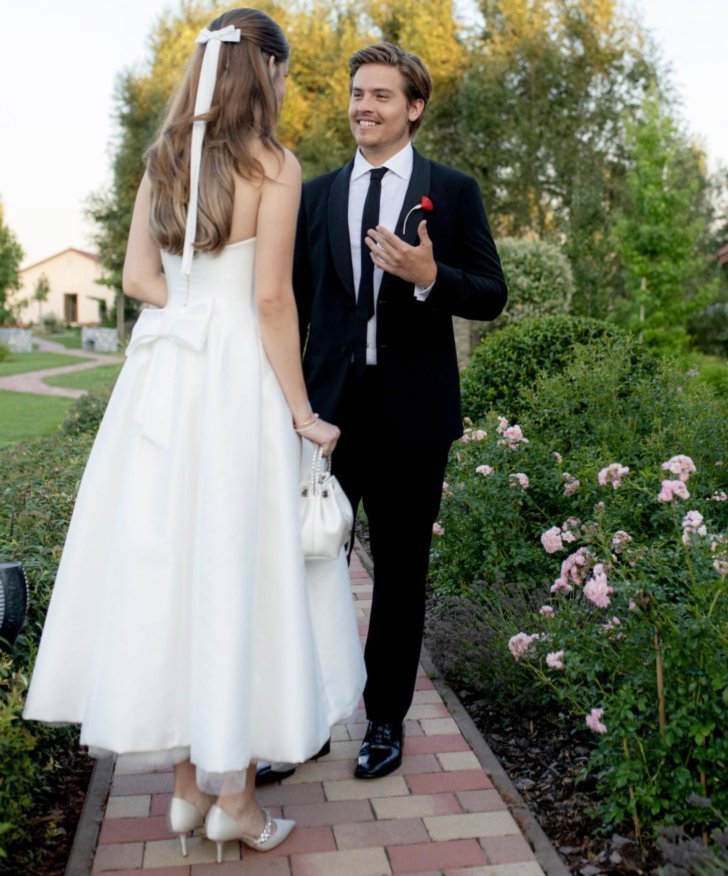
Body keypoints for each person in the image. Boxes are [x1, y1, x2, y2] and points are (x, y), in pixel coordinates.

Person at [23, 7, 365, 864]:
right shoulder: (273, 164)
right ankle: (235, 802)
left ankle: (185, 790)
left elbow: (139, 278)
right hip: (237, 385)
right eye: (284, 71)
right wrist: (303, 413)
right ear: (267, 70)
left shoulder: (166, 159)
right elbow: (272, 300)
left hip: (162, 382)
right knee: (238, 568)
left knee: (171, 566)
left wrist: (192, 309)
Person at [293, 43, 507, 780]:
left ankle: (383, 721)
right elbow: (291, 306)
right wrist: (291, 403)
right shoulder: (315, 195)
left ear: (414, 107)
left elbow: (490, 292)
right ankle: (303, 720)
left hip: (414, 416)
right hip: (326, 417)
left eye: (381, 95)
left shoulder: (452, 191)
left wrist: (429, 274)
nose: (364, 106)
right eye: (358, 92)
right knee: (305, 565)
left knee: (401, 573)